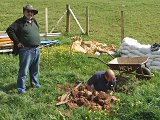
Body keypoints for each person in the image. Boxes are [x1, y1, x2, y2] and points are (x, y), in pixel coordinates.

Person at [6, 4, 41, 94]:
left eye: (31, 12)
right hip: (26, 50)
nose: (30, 13)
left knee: (35, 70)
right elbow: (9, 30)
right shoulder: (19, 22)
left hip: (36, 49)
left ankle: (34, 83)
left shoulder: (34, 21)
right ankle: (21, 88)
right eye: (28, 11)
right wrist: (17, 42)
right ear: (24, 12)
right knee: (23, 71)